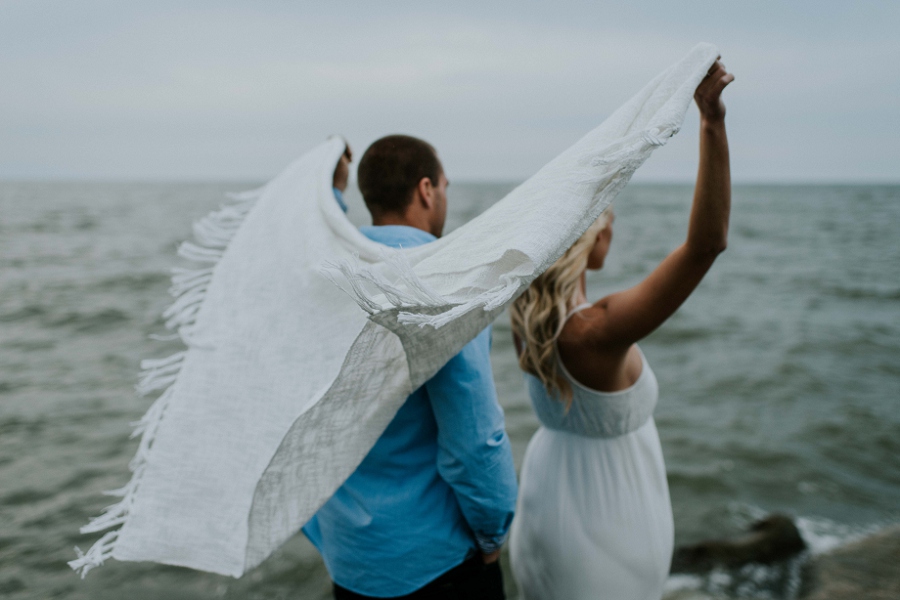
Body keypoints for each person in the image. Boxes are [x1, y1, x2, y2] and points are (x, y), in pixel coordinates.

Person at [507, 59, 734, 600]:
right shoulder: (594, 332)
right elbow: (706, 246)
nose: (615, 225)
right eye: (609, 217)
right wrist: (712, 122)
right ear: (592, 239)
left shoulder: (525, 318)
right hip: (605, 528)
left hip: (546, 503)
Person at [304, 135, 519, 600]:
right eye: (444, 185)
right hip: (434, 561)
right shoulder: (441, 282)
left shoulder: (325, 278)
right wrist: (493, 533)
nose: (444, 195)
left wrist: (333, 188)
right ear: (426, 190)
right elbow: (473, 438)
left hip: (349, 559)